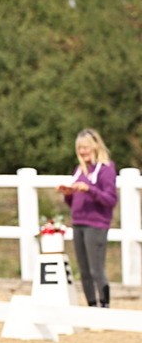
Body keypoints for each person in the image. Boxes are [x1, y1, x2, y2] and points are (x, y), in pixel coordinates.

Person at [57, 128, 118, 307]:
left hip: (96, 224)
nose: (82, 152)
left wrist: (89, 189)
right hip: (79, 222)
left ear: (95, 147)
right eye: (80, 148)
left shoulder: (106, 170)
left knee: (96, 269)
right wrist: (68, 194)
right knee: (84, 270)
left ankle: (104, 304)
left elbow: (110, 199)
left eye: (85, 147)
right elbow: (74, 202)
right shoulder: (79, 170)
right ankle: (91, 305)